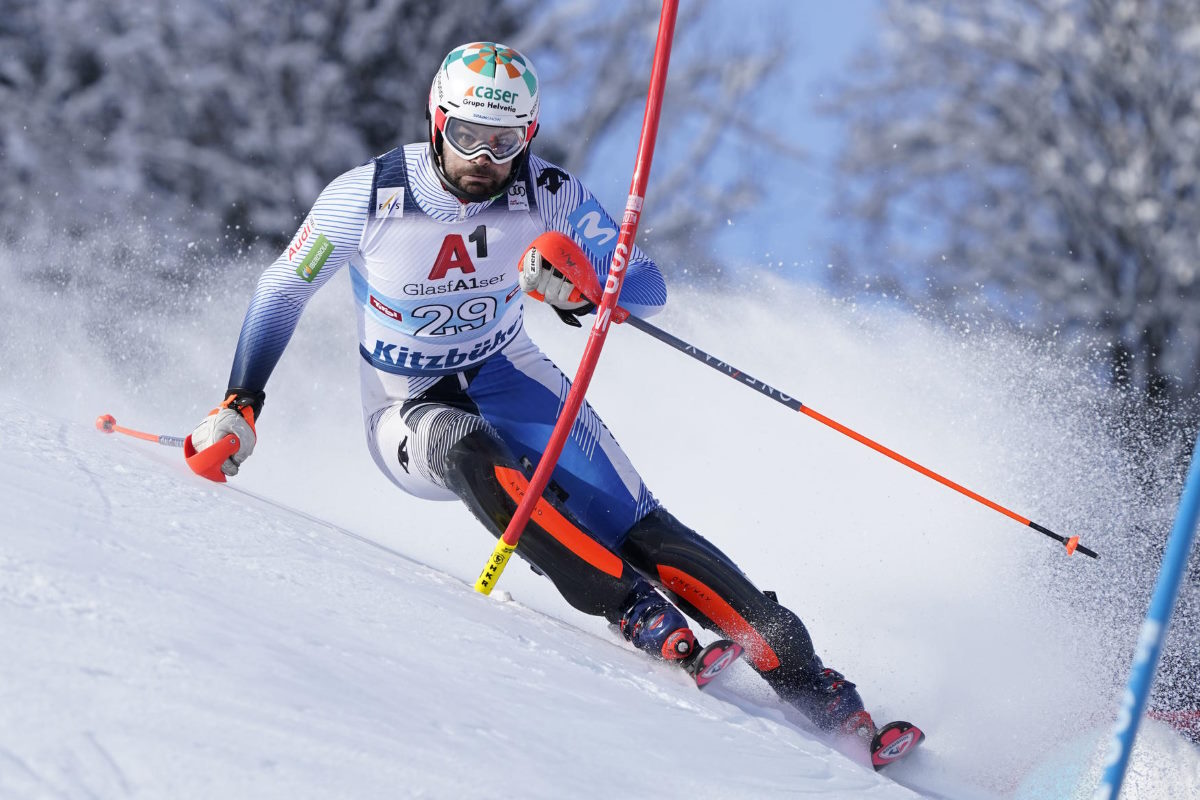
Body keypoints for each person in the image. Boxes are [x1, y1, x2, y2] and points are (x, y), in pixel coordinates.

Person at [189, 41, 875, 744]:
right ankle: (628, 606)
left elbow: (645, 285)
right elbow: (282, 288)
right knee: (464, 445)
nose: (484, 158)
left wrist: (580, 282)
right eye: (466, 137)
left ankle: (809, 681)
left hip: (507, 373)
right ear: (436, 121)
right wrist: (242, 402)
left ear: (530, 135)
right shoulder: (368, 197)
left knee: (635, 521)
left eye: (505, 140)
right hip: (406, 401)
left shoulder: (547, 193)